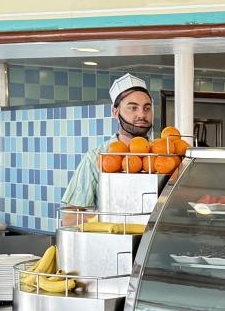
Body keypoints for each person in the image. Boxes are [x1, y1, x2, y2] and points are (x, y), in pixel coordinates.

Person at [60, 73, 156, 210]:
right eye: (133, 108)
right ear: (115, 112)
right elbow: (70, 216)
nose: (142, 115)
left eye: (147, 108)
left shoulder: (163, 154)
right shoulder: (95, 158)